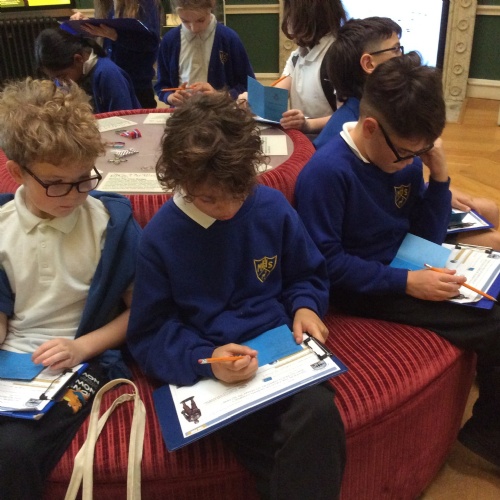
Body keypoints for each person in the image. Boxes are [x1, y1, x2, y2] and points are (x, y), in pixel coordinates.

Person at [127, 91, 346, 499]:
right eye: (209, 198)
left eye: (238, 193)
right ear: (180, 180)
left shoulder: (271, 206)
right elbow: (150, 333)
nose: (227, 209)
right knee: (280, 450)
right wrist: (207, 360)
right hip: (216, 371)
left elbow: (306, 273)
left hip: (284, 355)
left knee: (317, 413)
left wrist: (305, 306)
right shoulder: (160, 237)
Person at [295, 54, 500, 468]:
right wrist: (406, 283)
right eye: (408, 153)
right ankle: (488, 435)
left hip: (408, 265)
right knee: (495, 321)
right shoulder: (326, 174)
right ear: (371, 127)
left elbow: (424, 236)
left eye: (422, 151)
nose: (412, 161)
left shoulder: (399, 158)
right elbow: (326, 264)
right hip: (363, 288)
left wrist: (439, 179)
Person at [0, 78, 141, 497]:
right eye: (56, 183)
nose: (74, 195)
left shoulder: (111, 224)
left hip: (84, 363)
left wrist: (81, 348)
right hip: (13, 362)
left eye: (84, 179)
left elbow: (141, 311)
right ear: (17, 172)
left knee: (13, 452)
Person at [313, 16, 500, 250]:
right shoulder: (335, 160)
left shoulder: (403, 146)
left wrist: (439, 182)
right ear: (368, 63)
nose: (401, 56)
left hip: (403, 242)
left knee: (491, 210)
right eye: (395, 49)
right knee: (494, 239)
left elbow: (421, 234)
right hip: (385, 253)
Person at [155, 0, 254, 107]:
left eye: (200, 20)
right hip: (182, 113)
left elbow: (249, 85)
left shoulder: (229, 38)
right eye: (185, 21)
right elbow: (161, 85)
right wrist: (169, 97)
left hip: (220, 113)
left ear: (211, 8)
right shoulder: (169, 41)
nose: (194, 28)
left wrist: (221, 96)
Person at [273, 0, 346, 135]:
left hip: (328, 141)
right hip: (304, 140)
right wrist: (252, 100)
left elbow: (348, 116)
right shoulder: (298, 55)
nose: (288, 19)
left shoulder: (339, 56)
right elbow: (276, 95)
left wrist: (308, 124)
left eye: (292, 12)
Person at [71, 0, 161, 109]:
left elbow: (151, 42)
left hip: (137, 86)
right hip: (108, 82)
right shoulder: (105, 4)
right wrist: (88, 25)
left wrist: (115, 35)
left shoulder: (145, 3)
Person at [35, 28, 141, 113]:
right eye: (54, 79)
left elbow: (123, 123)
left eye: (62, 76)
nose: (60, 83)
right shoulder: (65, 79)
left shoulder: (108, 74)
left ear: (78, 59)